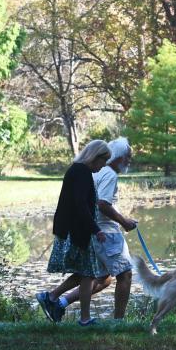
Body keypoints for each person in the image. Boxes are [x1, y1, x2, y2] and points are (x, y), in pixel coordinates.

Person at [44, 137, 138, 321]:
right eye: (128, 156)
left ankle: (57, 302)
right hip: (105, 232)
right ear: (117, 157)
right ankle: (118, 321)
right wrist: (124, 222)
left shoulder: (92, 171)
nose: (129, 160)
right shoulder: (107, 173)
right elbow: (101, 204)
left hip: (93, 229)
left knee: (101, 277)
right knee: (125, 274)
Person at [36, 139, 110, 326]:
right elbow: (80, 205)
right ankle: (83, 318)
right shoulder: (81, 172)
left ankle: (51, 298)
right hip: (77, 231)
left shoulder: (78, 170)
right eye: (103, 161)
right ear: (95, 157)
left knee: (85, 273)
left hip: (77, 229)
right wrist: (96, 229)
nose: (103, 166)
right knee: (88, 273)